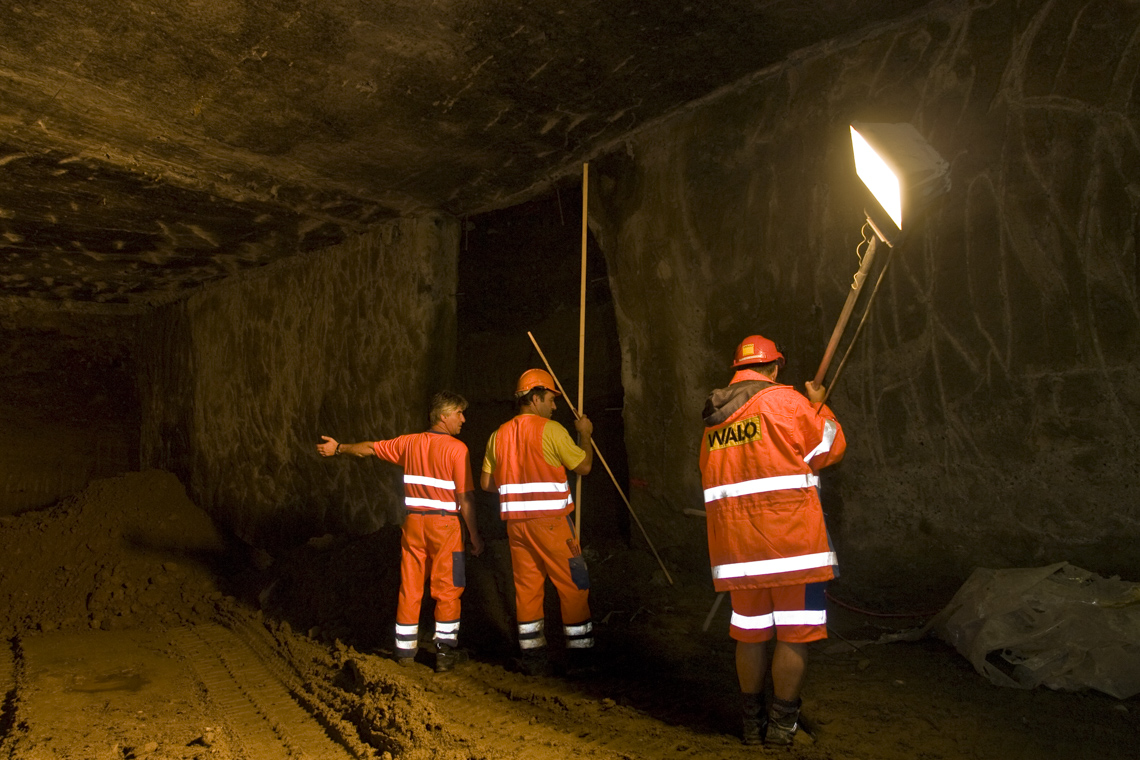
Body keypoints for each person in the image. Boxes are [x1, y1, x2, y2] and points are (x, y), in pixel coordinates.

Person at [699, 334, 846, 746]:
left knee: (750, 634)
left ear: (738, 370)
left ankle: (751, 724)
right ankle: (783, 729)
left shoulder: (715, 419)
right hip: (793, 548)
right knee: (794, 635)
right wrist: (818, 405)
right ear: (775, 368)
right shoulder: (789, 402)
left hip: (738, 553)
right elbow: (830, 448)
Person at [317, 390, 484, 673]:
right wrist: (475, 536)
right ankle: (444, 654)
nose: (463, 419)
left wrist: (339, 447)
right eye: (459, 413)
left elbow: (370, 448)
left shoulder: (409, 443)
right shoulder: (458, 449)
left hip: (414, 525)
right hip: (445, 528)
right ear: (443, 416)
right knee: (448, 590)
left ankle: (404, 652)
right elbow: (466, 498)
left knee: (410, 586)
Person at [480, 368, 595, 676]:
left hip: (516, 528)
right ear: (534, 398)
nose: (554, 407)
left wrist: (519, 481)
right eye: (550, 399)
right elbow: (583, 466)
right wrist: (585, 433)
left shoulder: (498, 435)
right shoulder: (552, 430)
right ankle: (581, 657)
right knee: (574, 585)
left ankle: (533, 658)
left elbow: (487, 483)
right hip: (552, 525)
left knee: (527, 589)